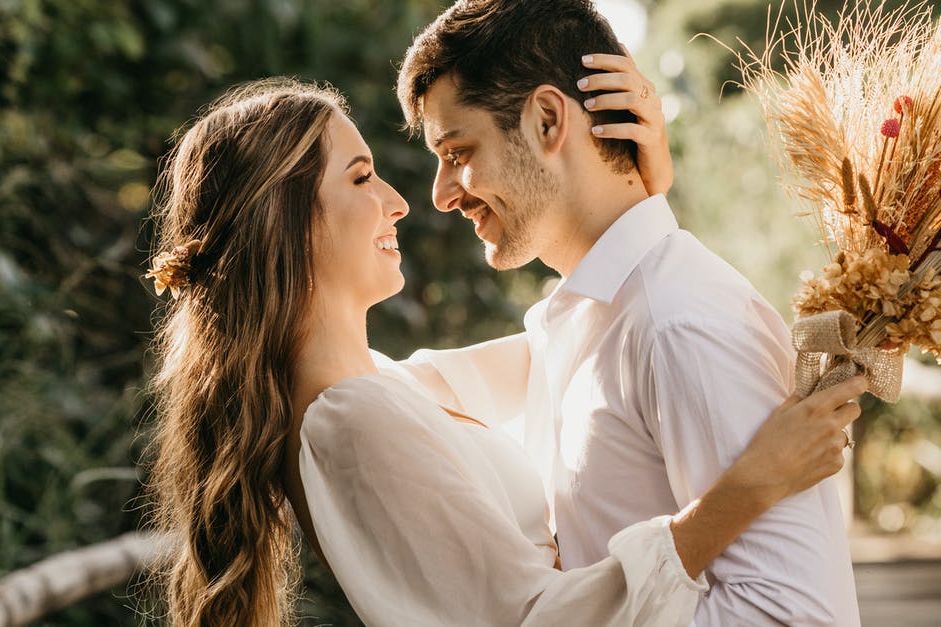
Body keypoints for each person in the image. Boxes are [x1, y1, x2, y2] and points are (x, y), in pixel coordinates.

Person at [143, 75, 865, 625]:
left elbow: (563, 343)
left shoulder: (384, 390)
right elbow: (530, 618)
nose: (400, 200)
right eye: (361, 177)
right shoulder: (348, 421)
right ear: (286, 222)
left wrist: (632, 196)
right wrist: (746, 490)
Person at [391, 1, 863, 624]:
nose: (441, 193)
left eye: (458, 150)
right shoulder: (579, 320)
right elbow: (396, 389)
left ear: (547, 120)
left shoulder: (682, 322)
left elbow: (795, 616)